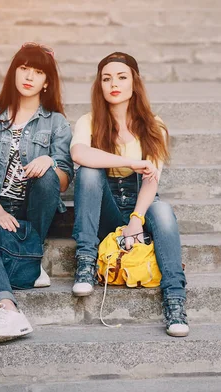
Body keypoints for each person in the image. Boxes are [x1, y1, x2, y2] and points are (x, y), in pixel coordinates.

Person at [70, 52, 189, 337]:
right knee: (87, 171)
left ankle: (175, 301)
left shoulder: (153, 125)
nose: (114, 83)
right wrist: (128, 162)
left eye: (122, 77)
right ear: (99, 85)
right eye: (107, 78)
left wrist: (136, 220)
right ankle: (85, 262)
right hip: (104, 206)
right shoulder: (88, 121)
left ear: (134, 83)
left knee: (162, 210)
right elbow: (78, 153)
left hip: (140, 201)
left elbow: (151, 180)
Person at [0, 43, 74, 344]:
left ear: (46, 81)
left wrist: (49, 160)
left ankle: (31, 250)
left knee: (48, 175)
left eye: (38, 72)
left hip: (33, 207)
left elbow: (64, 180)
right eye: (24, 68)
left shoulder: (56, 123)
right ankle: (8, 311)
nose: (29, 76)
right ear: (14, 71)